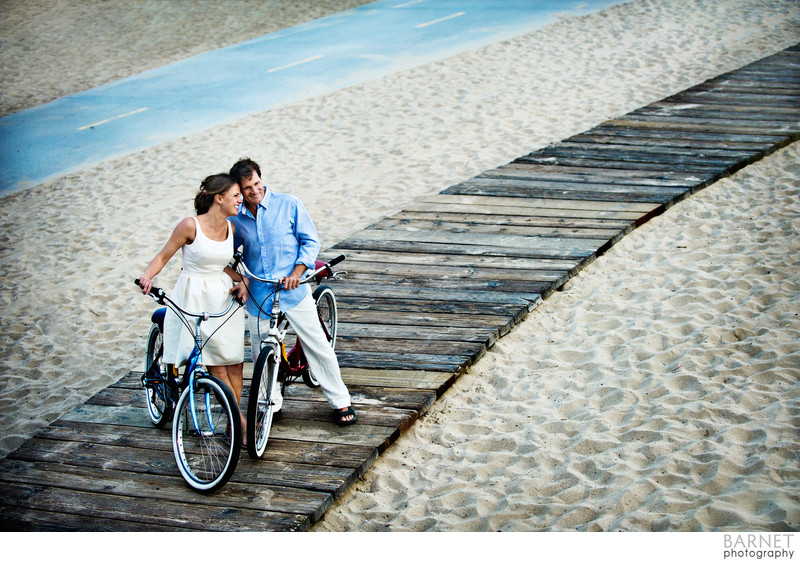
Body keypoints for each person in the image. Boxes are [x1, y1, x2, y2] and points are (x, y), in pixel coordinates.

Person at [228, 158, 357, 426]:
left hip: (294, 290)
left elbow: (310, 241)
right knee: (260, 352)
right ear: (239, 190)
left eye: (257, 183)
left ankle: (340, 400)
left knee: (317, 345)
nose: (255, 191)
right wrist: (241, 279)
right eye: (247, 187)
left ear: (261, 178)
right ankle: (270, 401)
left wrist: (296, 273)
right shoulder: (236, 218)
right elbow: (230, 252)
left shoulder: (289, 204)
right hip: (260, 294)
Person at [138, 173, 248, 437]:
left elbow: (221, 265)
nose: (240, 200)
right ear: (218, 198)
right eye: (235, 196)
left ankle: (234, 418)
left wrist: (243, 281)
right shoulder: (190, 226)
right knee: (216, 364)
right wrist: (147, 276)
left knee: (234, 362)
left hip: (223, 297)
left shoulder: (231, 228)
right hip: (194, 297)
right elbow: (164, 255)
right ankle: (241, 423)